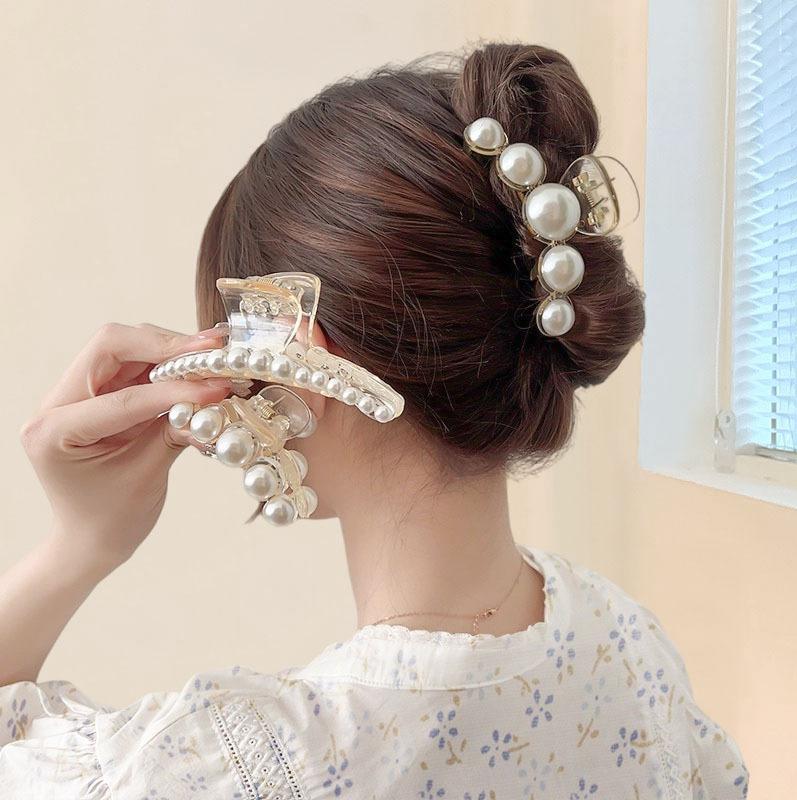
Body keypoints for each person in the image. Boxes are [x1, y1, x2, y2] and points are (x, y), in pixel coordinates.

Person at [0, 43, 748, 798]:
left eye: (234, 343)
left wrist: (79, 544)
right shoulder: (630, 654)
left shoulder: (231, 767)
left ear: (297, 358)